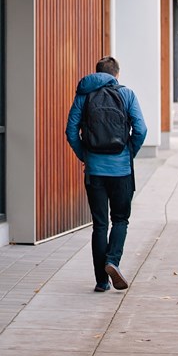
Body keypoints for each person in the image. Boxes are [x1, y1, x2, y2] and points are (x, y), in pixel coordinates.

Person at [65, 56, 147, 292]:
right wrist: (129, 151)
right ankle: (113, 260)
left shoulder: (84, 95)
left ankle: (101, 281)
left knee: (100, 224)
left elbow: (71, 131)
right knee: (120, 219)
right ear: (116, 75)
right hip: (121, 169)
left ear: (97, 73)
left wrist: (86, 156)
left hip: (95, 171)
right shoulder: (126, 94)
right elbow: (141, 129)